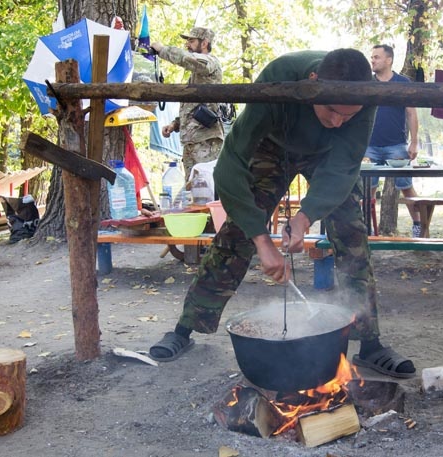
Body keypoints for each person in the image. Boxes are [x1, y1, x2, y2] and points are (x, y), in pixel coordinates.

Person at [148, 49, 416, 379]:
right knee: (237, 234)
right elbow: (230, 166)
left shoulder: (363, 97)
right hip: (272, 146)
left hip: (328, 155)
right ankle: (185, 328)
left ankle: (370, 344)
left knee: (352, 232)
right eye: (331, 110)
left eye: (347, 116)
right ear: (312, 84)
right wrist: (261, 239)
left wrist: (304, 218)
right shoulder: (278, 81)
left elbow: (343, 167)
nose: (337, 121)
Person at [151, 27, 224, 179]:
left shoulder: (210, 62)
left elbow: (191, 60)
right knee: (193, 191)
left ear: (204, 43)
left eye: (191, 41)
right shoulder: (196, 76)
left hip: (205, 141)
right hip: (191, 141)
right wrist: (175, 125)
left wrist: (163, 50)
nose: (187, 45)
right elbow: (193, 108)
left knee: (207, 187)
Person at [365, 45, 422, 237]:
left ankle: (419, 227)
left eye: (376, 57)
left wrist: (414, 142)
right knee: (368, 189)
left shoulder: (403, 82)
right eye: (372, 57)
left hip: (396, 145)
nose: (372, 60)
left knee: (406, 187)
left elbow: (411, 113)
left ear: (388, 60)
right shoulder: (367, 84)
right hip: (369, 147)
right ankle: (368, 229)